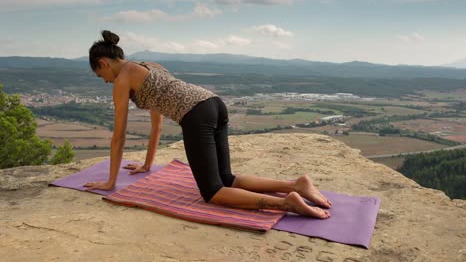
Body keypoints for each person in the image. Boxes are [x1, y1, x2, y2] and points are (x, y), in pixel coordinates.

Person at [83, 30, 332, 219]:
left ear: (103, 63)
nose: (103, 81)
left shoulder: (122, 80)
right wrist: (147, 164)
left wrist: (110, 182)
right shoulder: (149, 66)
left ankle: (286, 203)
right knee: (225, 178)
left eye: (99, 75)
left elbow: (119, 137)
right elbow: (157, 123)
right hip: (213, 102)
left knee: (212, 192)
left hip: (196, 115)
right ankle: (295, 184)